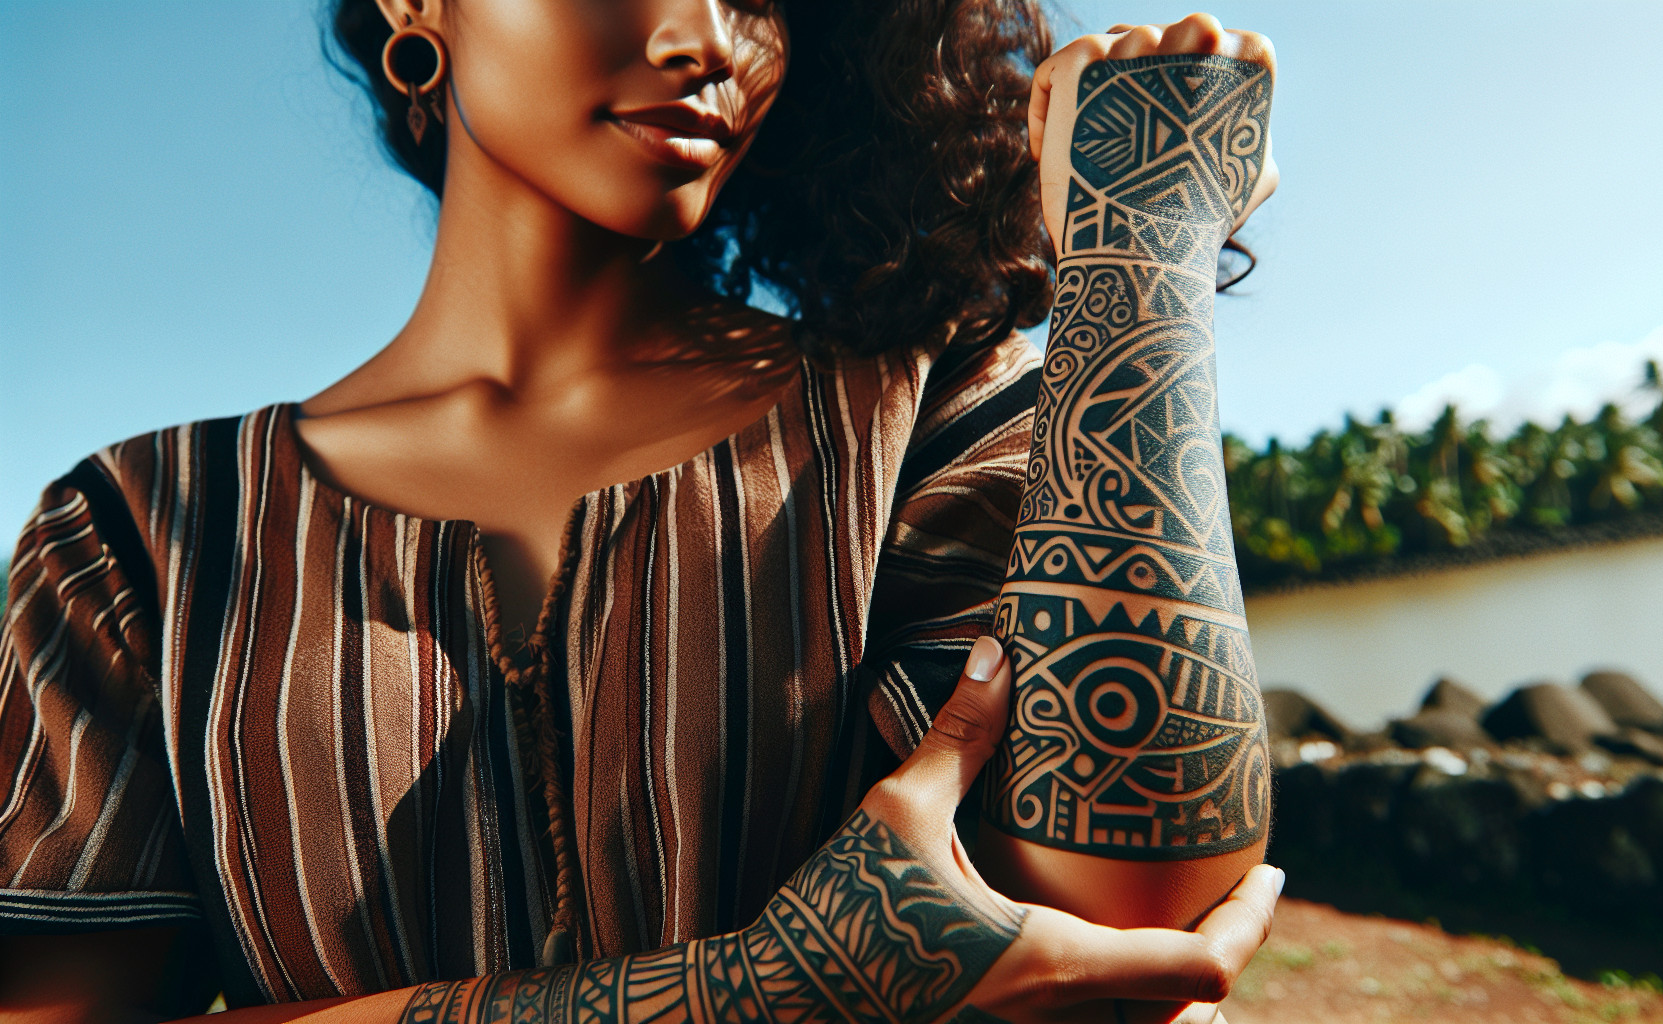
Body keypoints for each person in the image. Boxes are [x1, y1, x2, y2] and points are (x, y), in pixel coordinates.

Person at [0, 1, 1283, 1022]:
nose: (707, 40)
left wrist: (1136, 252)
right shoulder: (141, 535)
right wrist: (758, 990)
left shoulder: (924, 411)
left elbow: (1130, 903)